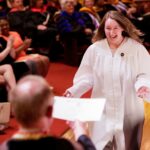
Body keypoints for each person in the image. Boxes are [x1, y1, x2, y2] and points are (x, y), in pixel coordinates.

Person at [64, 10, 150, 150]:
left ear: (123, 27)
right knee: (101, 146)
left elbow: (145, 73)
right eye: (108, 28)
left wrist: (143, 85)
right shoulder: (95, 50)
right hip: (102, 110)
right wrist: (74, 90)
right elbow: (87, 76)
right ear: (103, 29)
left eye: (116, 28)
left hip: (129, 111)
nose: (112, 32)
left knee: (128, 146)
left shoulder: (136, 49)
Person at [0, 75, 96, 150]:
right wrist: (80, 132)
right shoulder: (63, 146)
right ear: (50, 111)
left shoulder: (5, 147)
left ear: (15, 112)